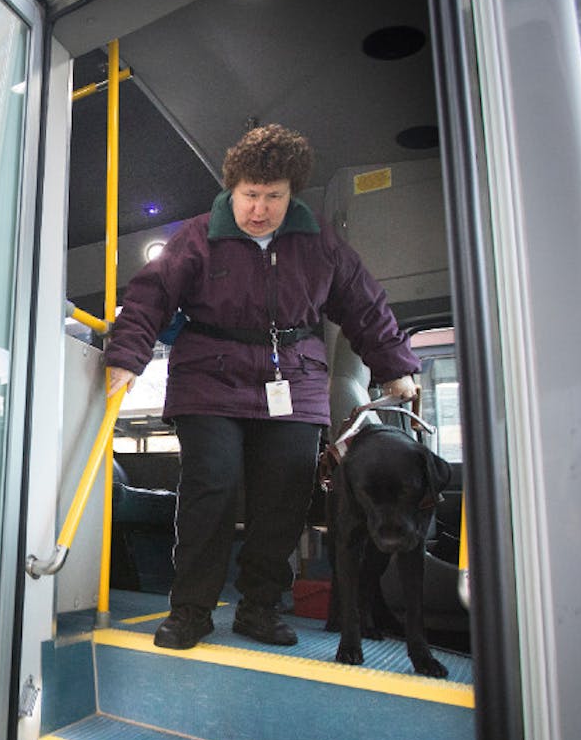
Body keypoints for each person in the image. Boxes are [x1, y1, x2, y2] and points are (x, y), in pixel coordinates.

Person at [105, 124, 419, 650]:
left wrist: (394, 365)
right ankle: (191, 609)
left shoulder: (319, 242)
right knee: (214, 484)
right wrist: (127, 358)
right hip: (210, 374)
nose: (260, 208)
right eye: (250, 194)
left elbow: (364, 305)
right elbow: (148, 298)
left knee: (286, 495)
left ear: (290, 192)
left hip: (293, 377)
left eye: (273, 196)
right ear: (233, 189)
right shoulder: (198, 237)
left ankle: (259, 606)